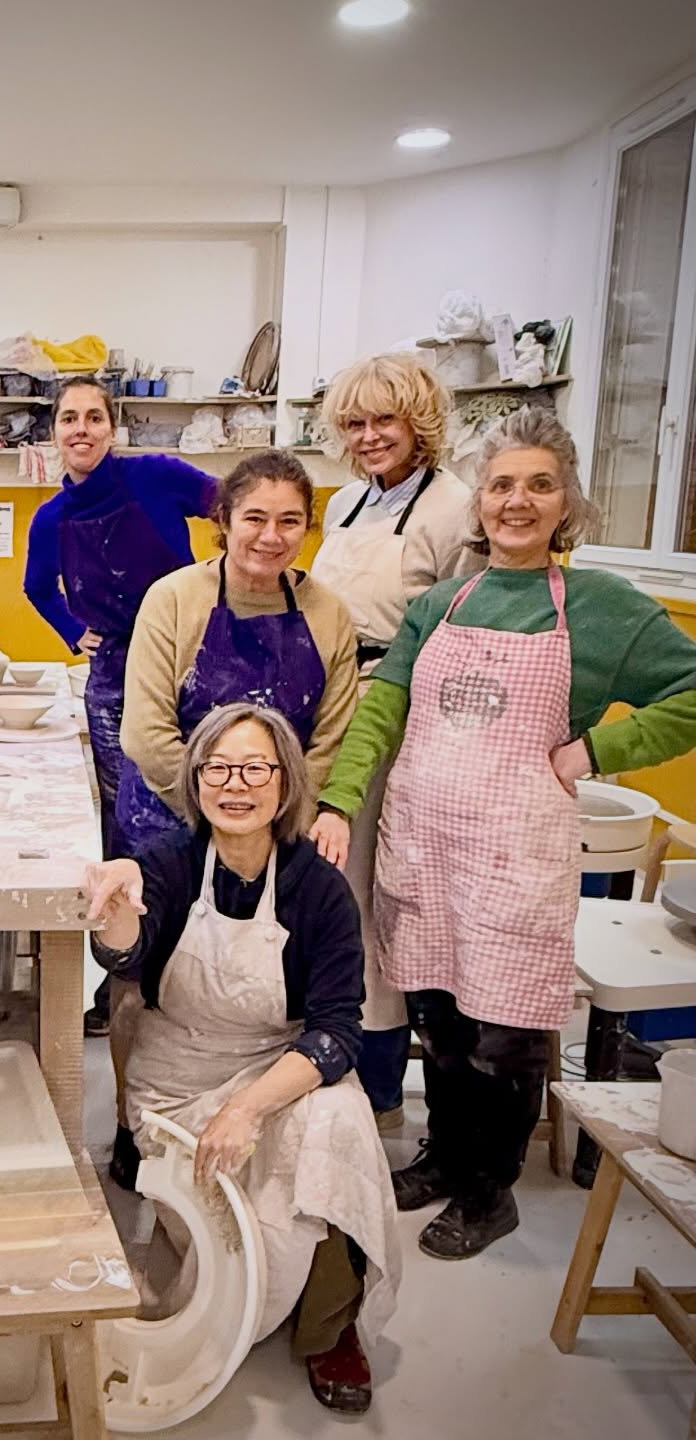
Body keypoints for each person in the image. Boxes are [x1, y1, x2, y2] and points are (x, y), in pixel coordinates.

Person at [313, 406, 696, 1259]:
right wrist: (340, 799)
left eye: (539, 485)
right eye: (500, 486)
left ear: (568, 503)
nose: (516, 502)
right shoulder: (444, 602)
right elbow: (385, 707)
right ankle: (447, 1159)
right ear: (479, 502)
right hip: (425, 840)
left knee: (508, 1030)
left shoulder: (602, 608)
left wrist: (601, 747)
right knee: (439, 1016)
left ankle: (492, 1193)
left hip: (516, 852)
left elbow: (691, 691)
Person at [87, 703, 399, 1416]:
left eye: (255, 768)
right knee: (227, 1248)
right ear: (196, 781)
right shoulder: (166, 861)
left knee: (341, 1124)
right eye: (218, 768)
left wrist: (248, 1107)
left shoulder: (317, 888)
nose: (237, 784)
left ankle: (327, 1328)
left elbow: (337, 1031)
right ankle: (248, 1301)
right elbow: (129, 954)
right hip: (175, 1081)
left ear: (285, 783)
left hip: (273, 1068)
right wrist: (113, 907)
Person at [105, 449, 357, 1188]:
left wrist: (271, 813)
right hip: (171, 816)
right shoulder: (174, 599)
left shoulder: (327, 613)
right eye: (254, 518)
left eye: (289, 521)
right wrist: (222, 807)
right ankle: (135, 1124)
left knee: (261, 979)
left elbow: (333, 736)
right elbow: (146, 731)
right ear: (222, 522)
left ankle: (247, 1103)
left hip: (280, 820)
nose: (270, 536)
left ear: (307, 529)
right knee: (143, 985)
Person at [309, 354, 477, 1131]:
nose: (370, 437)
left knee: (377, 896)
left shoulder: (456, 510)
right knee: (329, 889)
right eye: (354, 423)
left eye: (385, 420)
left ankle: (376, 1077)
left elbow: (470, 636)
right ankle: (330, 1041)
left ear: (420, 422)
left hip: (404, 715)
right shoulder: (343, 503)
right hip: (330, 706)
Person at [23, 376, 219, 859]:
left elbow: (232, 506)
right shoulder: (51, 519)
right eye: (69, 419)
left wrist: (225, 584)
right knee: (123, 803)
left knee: (192, 794)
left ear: (112, 430)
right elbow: (37, 588)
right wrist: (74, 631)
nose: (81, 429)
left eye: (94, 417)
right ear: (55, 433)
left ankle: (199, 912)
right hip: (112, 673)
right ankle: (136, 918)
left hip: (186, 661)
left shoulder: (156, 476)